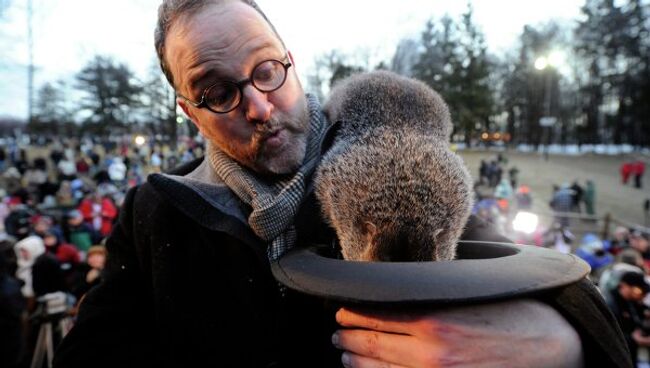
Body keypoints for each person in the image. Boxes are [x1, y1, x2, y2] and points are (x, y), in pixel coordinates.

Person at [54, 1, 630, 367]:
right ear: (189, 110)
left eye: (265, 70)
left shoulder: (390, 169)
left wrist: (562, 341)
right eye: (217, 91)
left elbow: (540, 278)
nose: (257, 105)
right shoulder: (156, 212)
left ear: (290, 62)